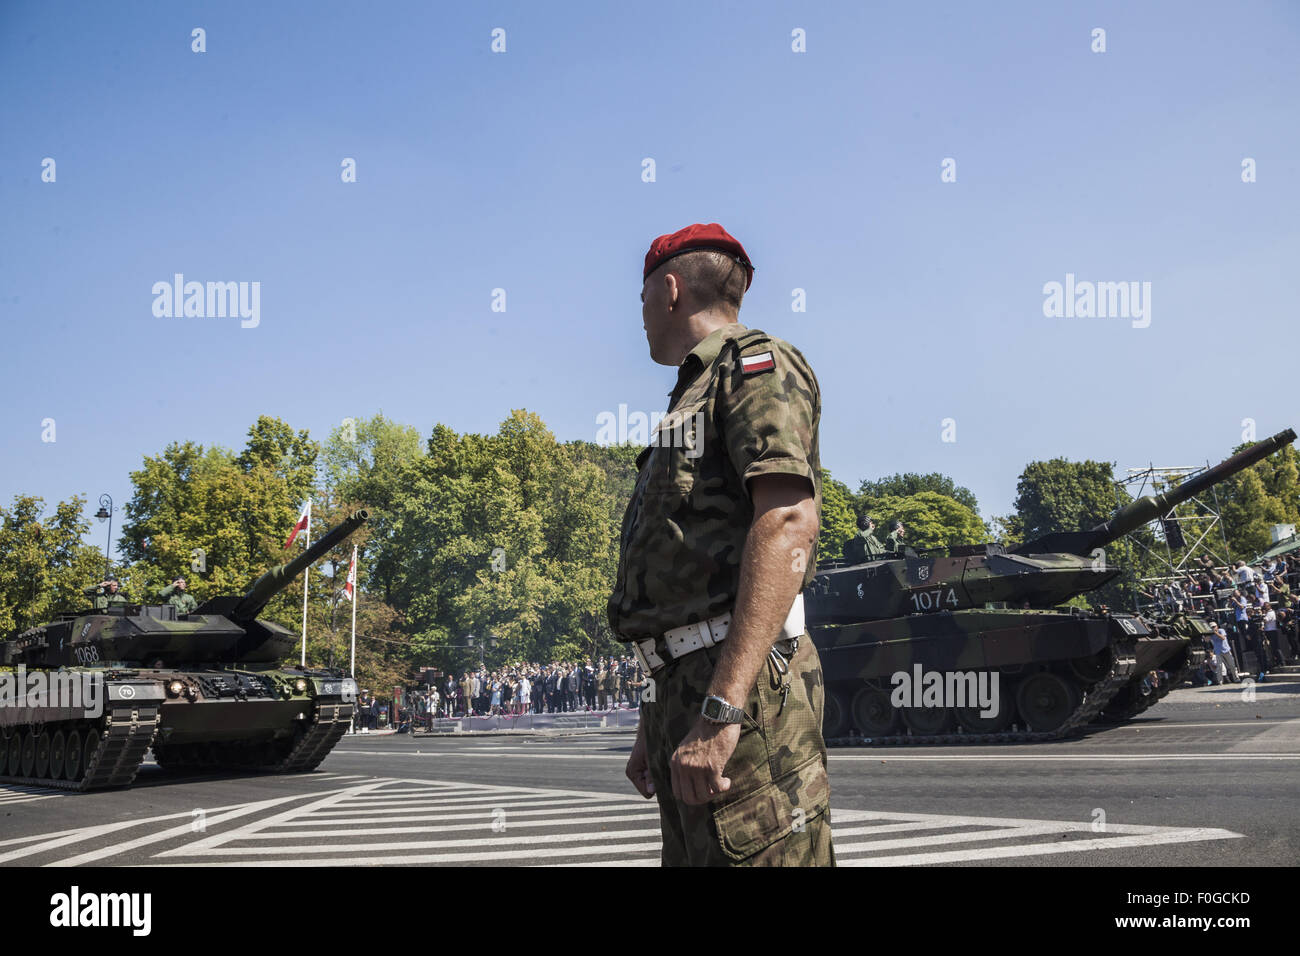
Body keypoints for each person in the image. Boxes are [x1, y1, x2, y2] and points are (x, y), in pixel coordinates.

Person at [613, 223, 833, 867]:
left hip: (739, 688)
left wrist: (720, 707)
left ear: (671, 289)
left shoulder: (754, 366)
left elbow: (788, 521)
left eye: (643, 299)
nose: (643, 319)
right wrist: (654, 718)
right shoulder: (692, 395)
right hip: (688, 688)